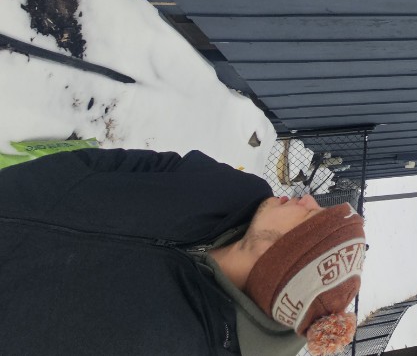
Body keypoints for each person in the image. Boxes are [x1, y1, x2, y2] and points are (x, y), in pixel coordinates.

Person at [0, 146, 366, 355]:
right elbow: (157, 164)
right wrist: (68, 173)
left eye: (311, 218)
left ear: (284, 258)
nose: (306, 199)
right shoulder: (241, 193)